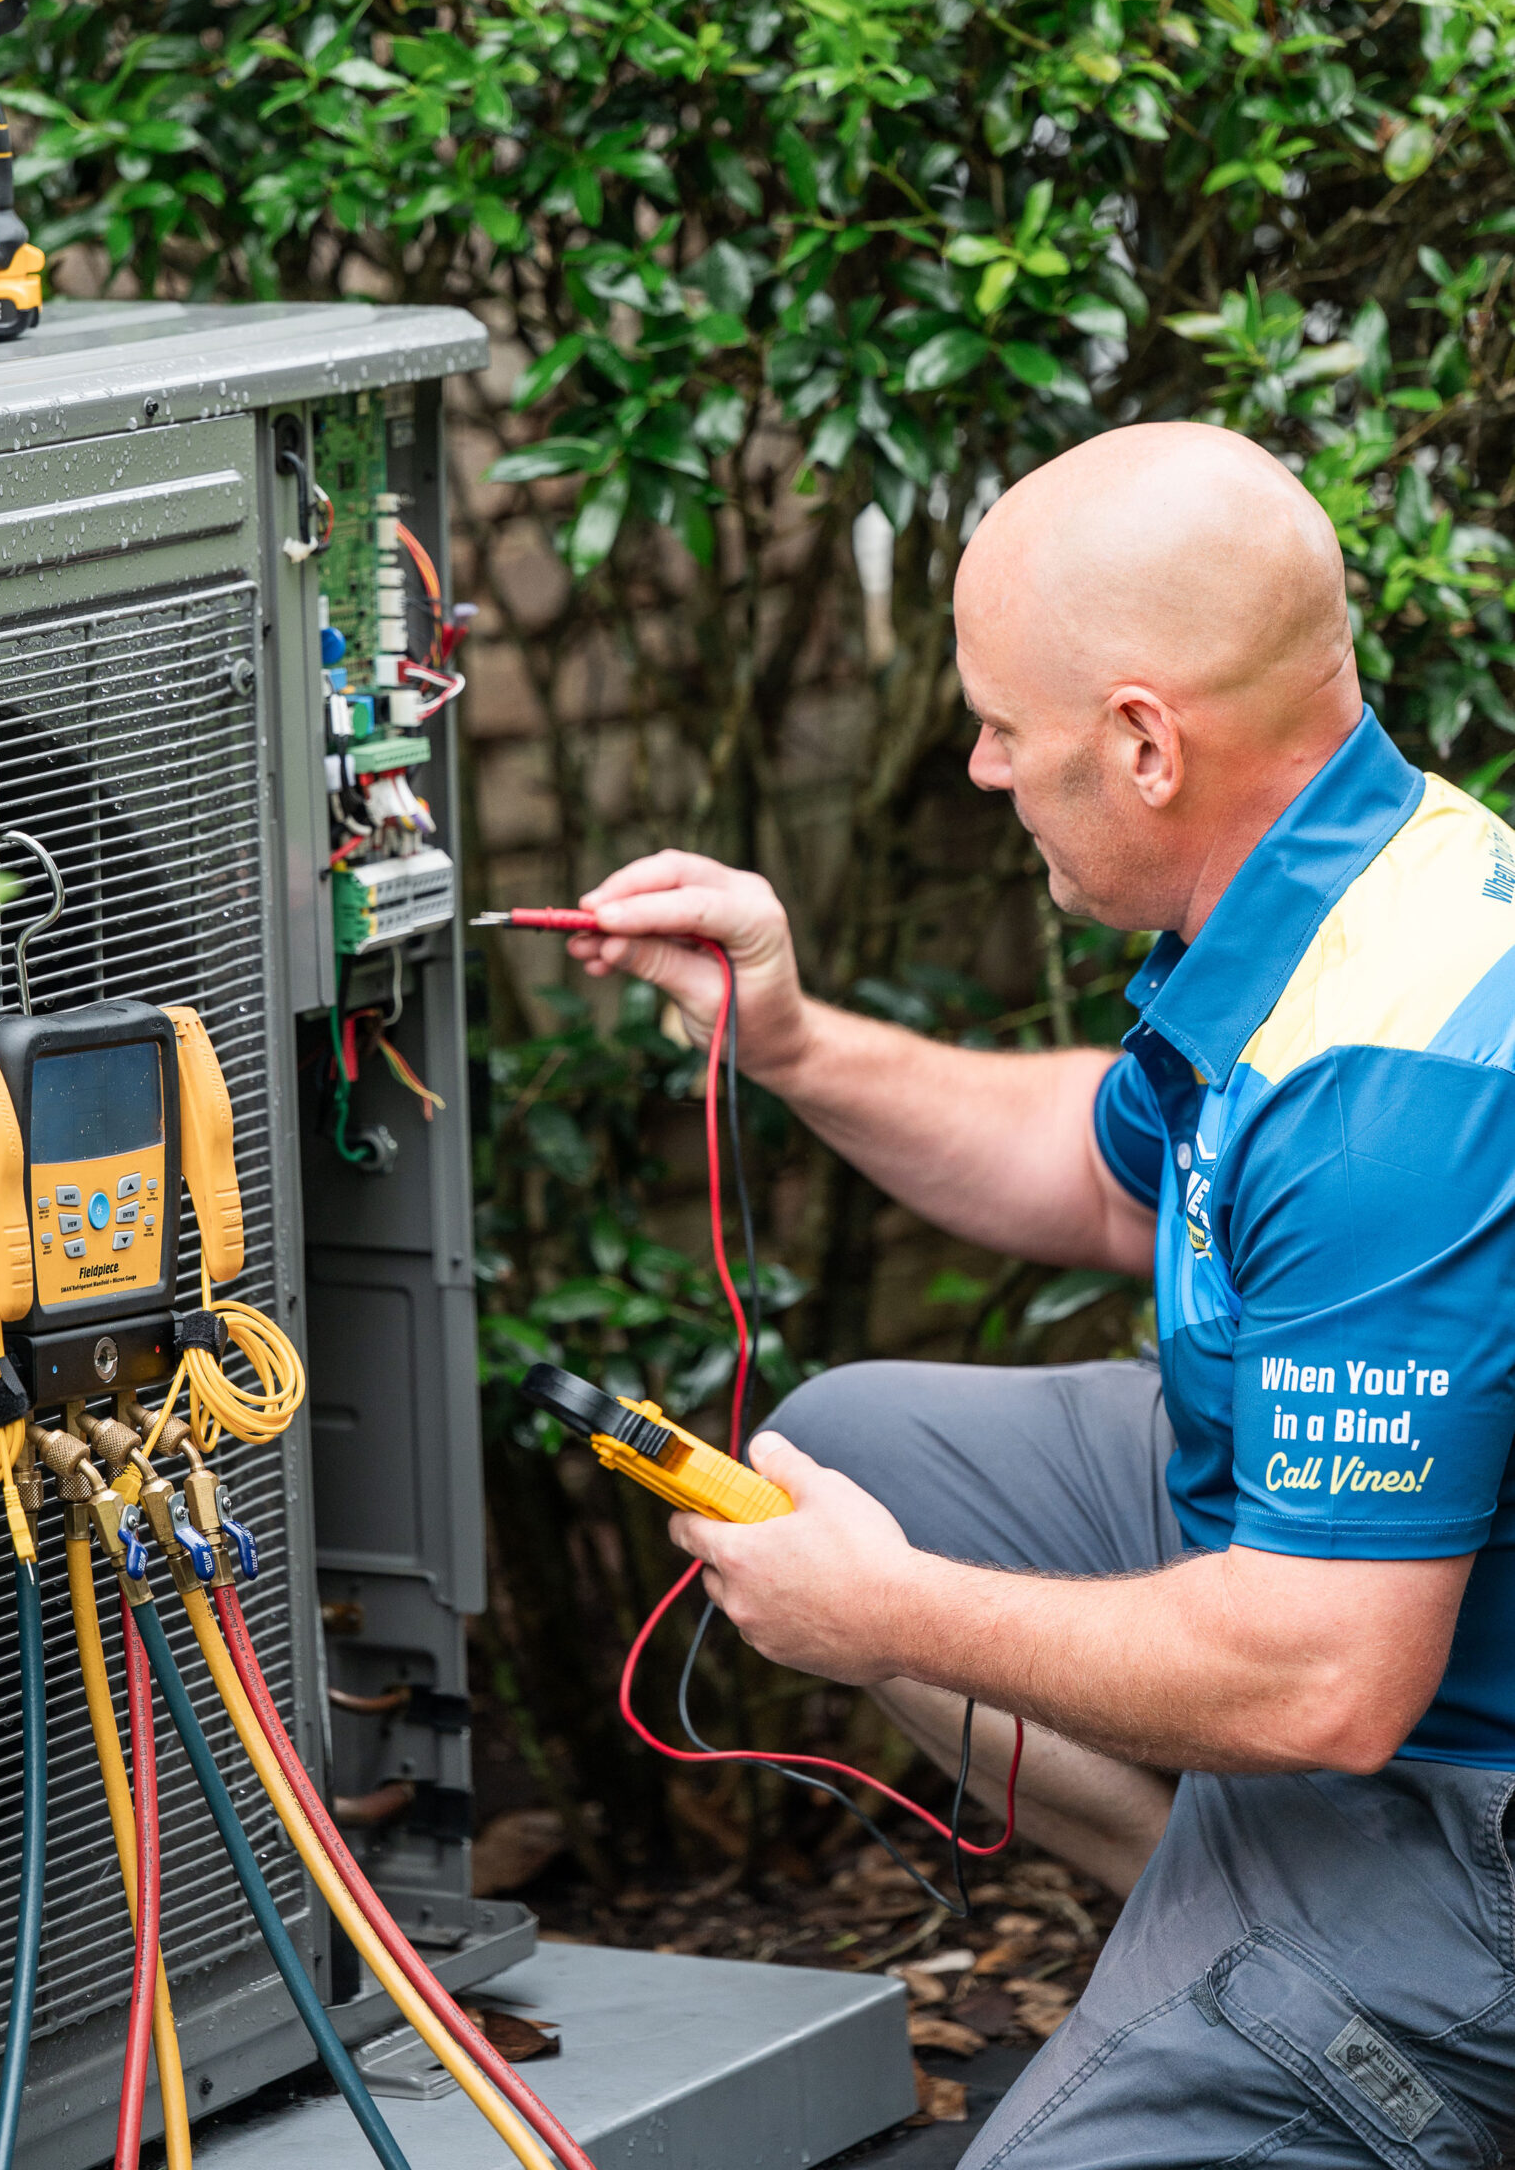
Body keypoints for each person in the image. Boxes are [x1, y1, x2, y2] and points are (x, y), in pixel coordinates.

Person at [564, 423, 1515, 2169]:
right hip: (1356, 1612)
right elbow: (1096, 1174)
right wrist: (788, 1038)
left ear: (1146, 742)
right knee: (855, 1449)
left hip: (1460, 1797)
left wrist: (891, 1615)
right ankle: (1229, 1923)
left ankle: (1346, 2005)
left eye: (1005, 725)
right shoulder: (1367, 882)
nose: (984, 766)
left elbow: (1328, 1684)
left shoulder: (1387, 1100)